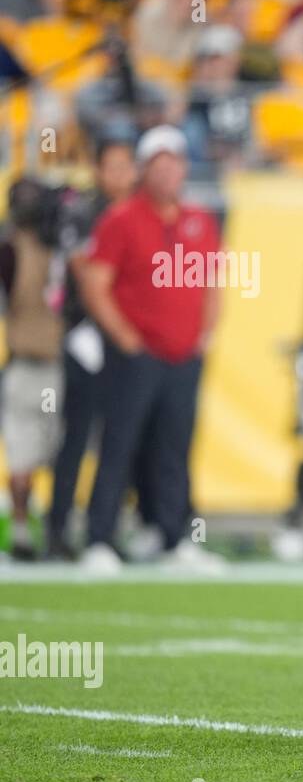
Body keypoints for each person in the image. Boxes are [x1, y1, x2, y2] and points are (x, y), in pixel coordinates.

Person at [77, 125, 222, 573]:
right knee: (120, 444)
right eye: (159, 163)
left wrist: (206, 332)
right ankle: (99, 538)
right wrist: (125, 337)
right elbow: (95, 282)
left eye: (174, 162)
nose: (168, 172)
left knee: (175, 449)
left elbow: (211, 282)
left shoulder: (199, 220)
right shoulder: (122, 219)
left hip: (183, 354)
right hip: (138, 354)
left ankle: (174, 537)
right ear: (145, 170)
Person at [47, 136, 138, 559]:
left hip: (124, 337)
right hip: (87, 335)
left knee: (119, 440)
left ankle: (105, 529)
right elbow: (85, 272)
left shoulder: (140, 213)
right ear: (98, 170)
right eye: (112, 166)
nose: (119, 175)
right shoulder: (82, 209)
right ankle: (58, 527)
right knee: (75, 436)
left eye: (126, 166)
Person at [0, 179, 66, 560]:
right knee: (35, 447)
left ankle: (28, 525)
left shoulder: (23, 247)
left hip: (31, 365)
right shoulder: (44, 246)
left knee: (34, 448)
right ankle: (28, 525)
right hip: (39, 366)